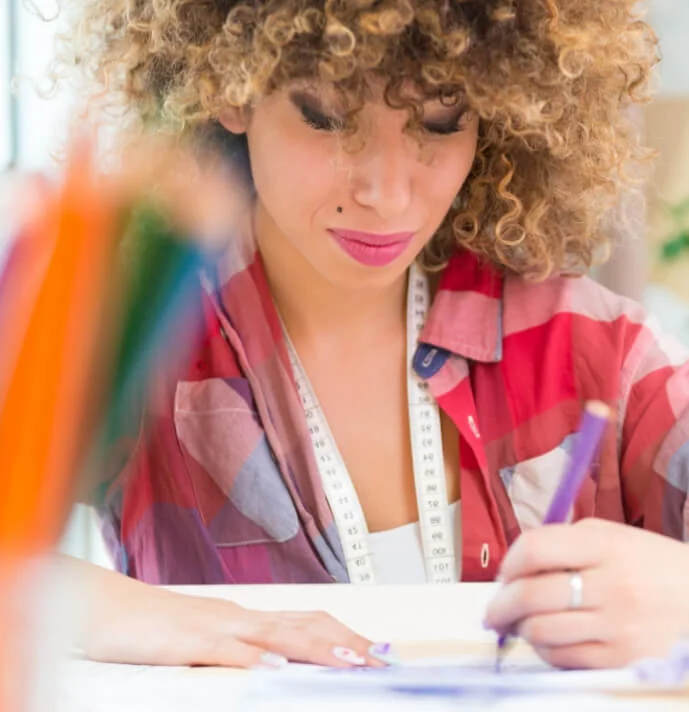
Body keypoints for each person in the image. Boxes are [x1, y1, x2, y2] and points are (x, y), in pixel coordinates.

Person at [53, 0, 689, 670]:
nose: (385, 194)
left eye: (441, 121)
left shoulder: (594, 350)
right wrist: (98, 607)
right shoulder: (134, 338)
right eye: (326, 116)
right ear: (230, 90)